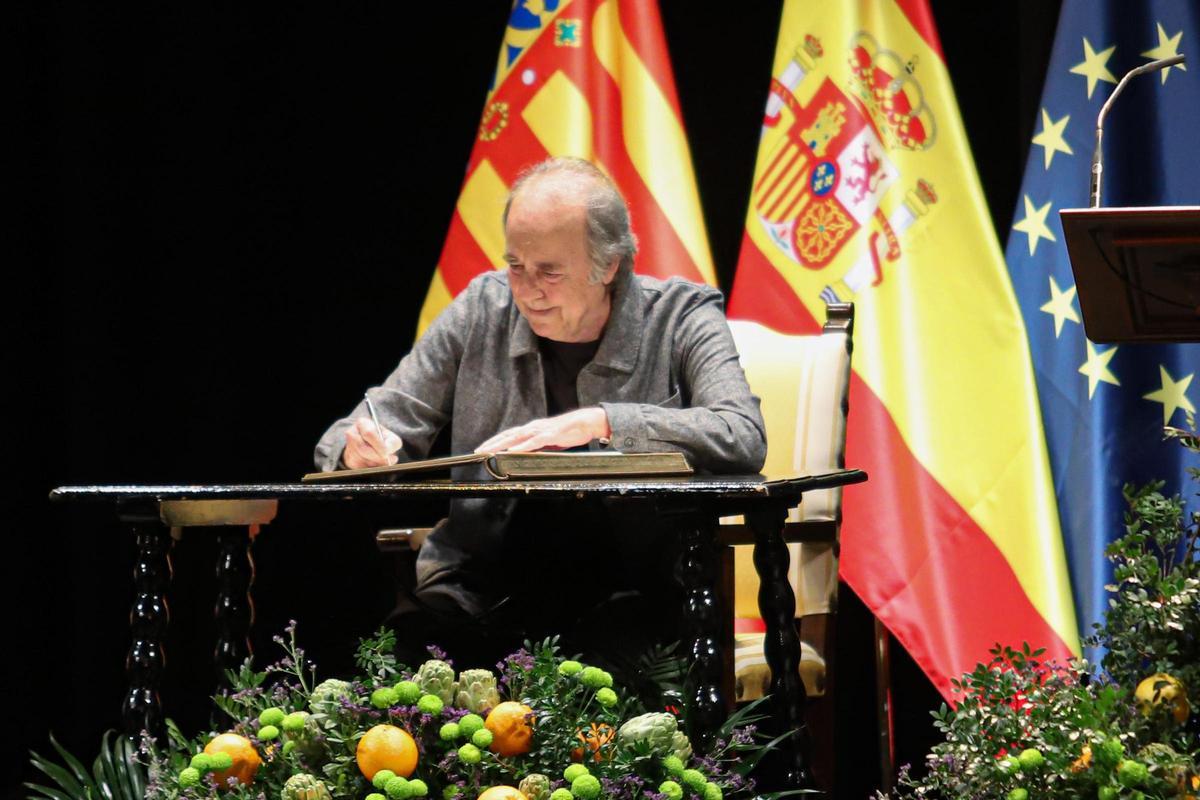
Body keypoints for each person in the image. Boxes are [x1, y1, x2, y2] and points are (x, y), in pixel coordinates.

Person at [315, 157, 766, 667]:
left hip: (634, 590)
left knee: (607, 671)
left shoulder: (681, 317)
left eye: (549, 271)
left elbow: (741, 433)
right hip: (482, 583)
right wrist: (363, 448)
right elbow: (384, 417)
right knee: (404, 665)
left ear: (609, 264)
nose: (527, 289)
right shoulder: (482, 307)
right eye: (515, 266)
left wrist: (603, 420)